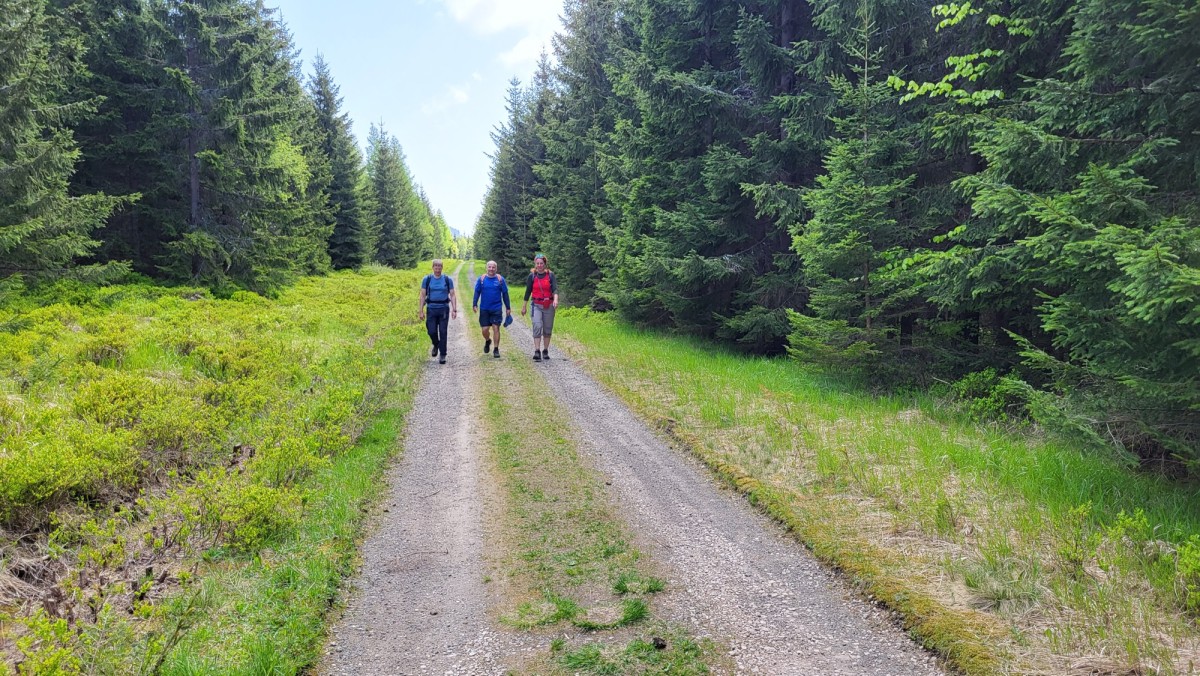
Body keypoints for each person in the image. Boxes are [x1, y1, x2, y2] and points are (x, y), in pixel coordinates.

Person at [521, 253, 559, 361]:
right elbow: (528, 291)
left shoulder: (550, 275)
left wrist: (555, 299)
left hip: (548, 305)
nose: (539, 265)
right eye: (537, 263)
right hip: (536, 304)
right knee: (537, 325)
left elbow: (555, 289)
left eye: (541, 263)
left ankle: (545, 350)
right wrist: (524, 306)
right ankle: (537, 351)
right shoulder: (532, 276)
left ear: (545, 264)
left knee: (547, 328)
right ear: (535, 264)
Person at [418, 259, 457, 364]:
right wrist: (420, 311)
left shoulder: (447, 279)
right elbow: (422, 295)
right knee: (431, 331)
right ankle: (436, 344)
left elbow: (452, 295)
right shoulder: (427, 279)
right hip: (431, 309)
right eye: (435, 266)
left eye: (439, 266)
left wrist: (454, 309)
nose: (437, 268)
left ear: (442, 267)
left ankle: (443, 354)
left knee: (443, 332)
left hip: (443, 309)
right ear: (432, 267)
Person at [472, 260, 511, 358]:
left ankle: (496, 349)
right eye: (489, 267)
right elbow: (477, 292)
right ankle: (488, 340)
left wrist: (508, 307)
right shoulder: (481, 279)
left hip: (496, 308)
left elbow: (505, 294)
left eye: (493, 267)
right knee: (484, 330)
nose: (491, 269)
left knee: (496, 328)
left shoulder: (500, 280)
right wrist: (474, 304)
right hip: (484, 308)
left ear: (496, 269)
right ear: (486, 268)